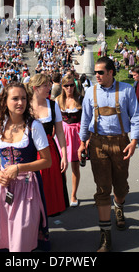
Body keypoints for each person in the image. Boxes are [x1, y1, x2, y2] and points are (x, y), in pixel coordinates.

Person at [78, 57, 139, 252]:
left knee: (121, 186)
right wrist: (82, 143)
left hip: (121, 143)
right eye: (96, 72)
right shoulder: (90, 91)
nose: (97, 75)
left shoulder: (127, 90)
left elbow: (136, 116)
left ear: (111, 72)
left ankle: (119, 206)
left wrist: (134, 141)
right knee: (103, 188)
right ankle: (105, 236)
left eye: (101, 72)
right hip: (97, 144)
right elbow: (85, 118)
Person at [0, 83, 51, 252]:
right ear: (5, 101)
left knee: (22, 234)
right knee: (4, 231)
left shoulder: (34, 127)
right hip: (3, 186)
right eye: (15, 98)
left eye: (23, 98)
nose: (20, 103)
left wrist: (19, 168)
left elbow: (47, 161)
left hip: (27, 187)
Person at [27, 73, 69, 217]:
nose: (49, 88)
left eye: (49, 84)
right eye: (45, 85)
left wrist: (64, 155)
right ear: (35, 88)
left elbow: (60, 132)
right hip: (30, 151)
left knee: (50, 187)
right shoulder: (25, 106)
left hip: (49, 150)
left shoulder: (52, 105)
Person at [55, 74, 83, 207]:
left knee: (75, 166)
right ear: (62, 87)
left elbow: (85, 119)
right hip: (63, 134)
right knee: (62, 166)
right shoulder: (58, 100)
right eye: (66, 86)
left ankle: (73, 194)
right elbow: (55, 122)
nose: (69, 88)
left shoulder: (80, 99)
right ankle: (64, 194)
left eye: (72, 85)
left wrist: (85, 139)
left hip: (76, 133)